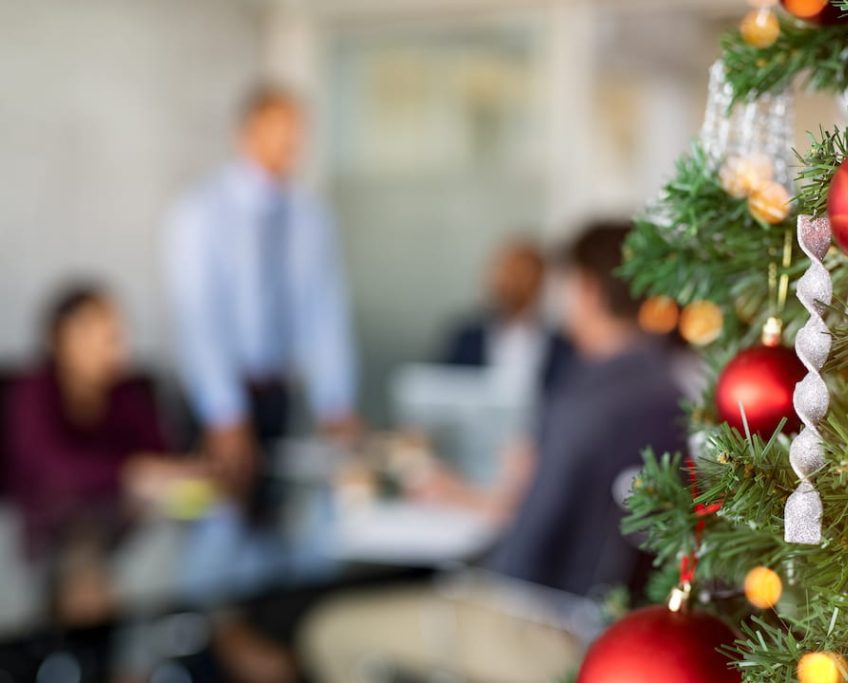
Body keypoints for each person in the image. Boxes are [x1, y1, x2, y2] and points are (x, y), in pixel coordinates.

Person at [300, 221, 686, 683]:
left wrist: (506, 505)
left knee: (331, 631)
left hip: (543, 631)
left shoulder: (580, 407)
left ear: (586, 289)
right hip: (626, 632)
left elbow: (517, 564)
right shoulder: (669, 390)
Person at [164, 83, 358, 499]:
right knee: (217, 522)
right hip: (214, 400)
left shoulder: (310, 215)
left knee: (277, 514)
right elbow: (199, 317)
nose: (293, 141)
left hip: (277, 395)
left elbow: (322, 310)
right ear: (248, 131)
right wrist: (223, 412)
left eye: (299, 130)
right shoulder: (200, 212)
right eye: (281, 128)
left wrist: (335, 399)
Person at [3, 284, 197, 624]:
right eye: (99, 334)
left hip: (107, 515)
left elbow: (160, 453)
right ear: (59, 337)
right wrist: (130, 472)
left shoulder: (125, 391)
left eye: (116, 335)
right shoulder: (34, 389)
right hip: (43, 518)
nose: (113, 347)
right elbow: (48, 466)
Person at [443, 239, 574, 396]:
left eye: (522, 275)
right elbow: (443, 388)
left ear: (539, 281)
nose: (512, 283)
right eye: (507, 273)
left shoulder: (562, 343)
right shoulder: (467, 336)